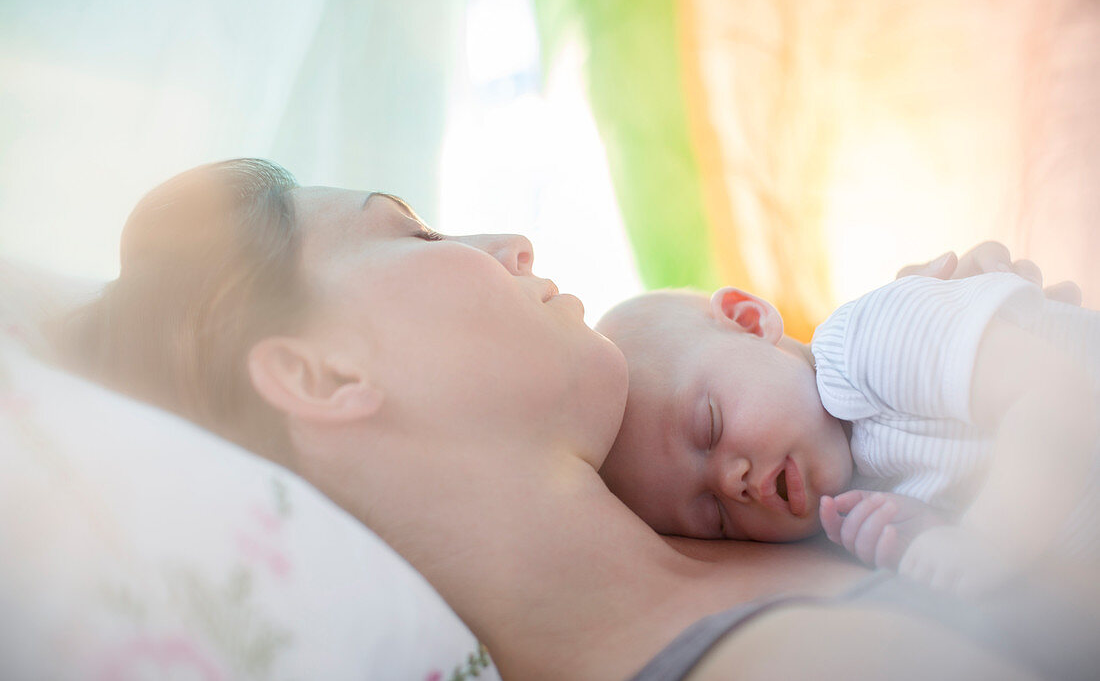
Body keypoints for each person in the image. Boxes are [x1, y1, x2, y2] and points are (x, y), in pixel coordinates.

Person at [62, 159, 1098, 680]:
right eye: (413, 232)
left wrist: (987, 374)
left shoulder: (773, 500)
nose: (510, 240)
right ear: (323, 375)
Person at [596, 253, 1099, 594]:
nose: (732, 485)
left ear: (749, 321)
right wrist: (934, 530)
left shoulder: (864, 343)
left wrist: (989, 539)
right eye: (713, 518)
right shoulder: (856, 508)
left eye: (709, 429)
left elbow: (1058, 392)